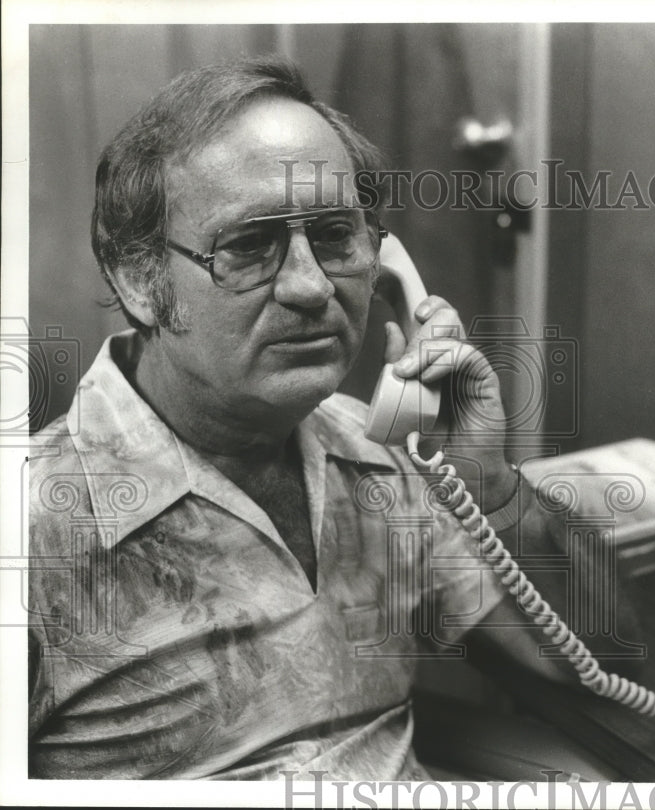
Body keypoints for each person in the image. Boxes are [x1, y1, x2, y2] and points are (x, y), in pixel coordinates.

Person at [28, 57, 620, 780]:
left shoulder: (382, 453)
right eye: (249, 246)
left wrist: (492, 486)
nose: (311, 286)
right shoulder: (32, 527)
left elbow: (600, 654)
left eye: (337, 236)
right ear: (139, 281)